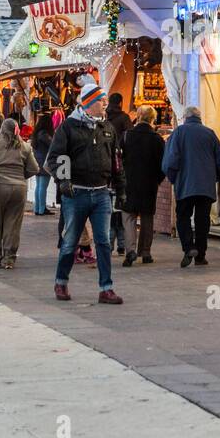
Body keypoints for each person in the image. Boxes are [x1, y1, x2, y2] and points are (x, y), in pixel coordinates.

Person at [46, 81, 124, 304]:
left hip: (101, 193)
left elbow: (116, 160)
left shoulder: (107, 128)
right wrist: (64, 181)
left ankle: (106, 288)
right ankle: (61, 282)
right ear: (89, 102)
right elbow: (56, 156)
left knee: (103, 241)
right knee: (70, 241)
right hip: (76, 193)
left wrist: (120, 187)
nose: (105, 104)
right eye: (101, 101)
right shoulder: (69, 127)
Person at [163, 106, 220, 267]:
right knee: (202, 220)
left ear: (185, 117)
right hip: (206, 185)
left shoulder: (178, 133)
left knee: (183, 216)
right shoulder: (210, 133)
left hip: (185, 184)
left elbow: (170, 161)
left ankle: (189, 247)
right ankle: (201, 255)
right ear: (199, 117)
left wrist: (173, 178)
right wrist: (215, 178)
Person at [0, 118, 39, 268]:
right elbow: (34, 168)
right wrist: (20, 176)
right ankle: (9, 259)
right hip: (19, 189)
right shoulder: (24, 147)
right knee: (13, 224)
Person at [120, 105, 166, 267]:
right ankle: (146, 252)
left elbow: (118, 160)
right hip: (149, 183)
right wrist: (157, 180)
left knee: (128, 216)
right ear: (152, 119)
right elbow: (163, 164)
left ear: (138, 117)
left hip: (129, 182)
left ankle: (130, 250)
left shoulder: (126, 136)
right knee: (147, 217)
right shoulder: (157, 139)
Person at [105, 93, 133, 255]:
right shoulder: (124, 118)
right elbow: (130, 136)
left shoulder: (103, 117)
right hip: (120, 169)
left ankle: (109, 243)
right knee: (120, 210)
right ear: (121, 102)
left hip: (105, 171)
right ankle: (122, 244)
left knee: (108, 211)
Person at [30, 111, 56, 216]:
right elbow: (53, 145)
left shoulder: (36, 134)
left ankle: (37, 208)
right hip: (44, 162)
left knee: (38, 186)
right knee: (43, 187)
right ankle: (42, 209)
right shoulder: (44, 135)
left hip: (37, 162)